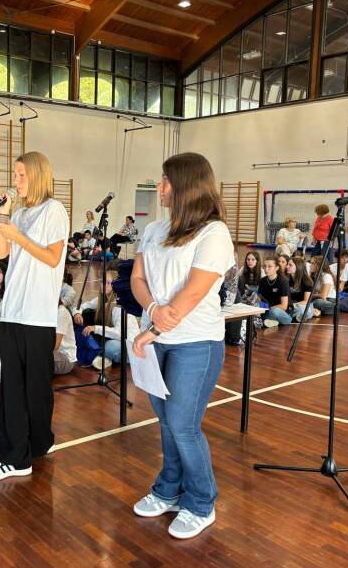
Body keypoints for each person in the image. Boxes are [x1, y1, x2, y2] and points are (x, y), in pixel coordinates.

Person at [130, 152, 234, 540]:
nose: (159, 187)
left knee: (183, 425)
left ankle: (200, 502)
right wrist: (153, 310)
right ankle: (168, 489)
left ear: (186, 185)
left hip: (196, 343)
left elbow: (190, 296)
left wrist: (150, 331)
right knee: (166, 422)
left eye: (165, 181)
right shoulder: (155, 229)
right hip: (156, 338)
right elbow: (138, 278)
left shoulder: (214, 234)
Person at [0, 150, 69, 481]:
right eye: (14, 175)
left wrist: (18, 235)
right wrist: (3, 222)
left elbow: (51, 257)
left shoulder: (54, 210)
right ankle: (31, 446)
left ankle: (18, 457)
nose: (15, 180)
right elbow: (2, 255)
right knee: (15, 387)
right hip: (13, 309)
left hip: (37, 312)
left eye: (20, 175)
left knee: (33, 387)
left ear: (36, 176)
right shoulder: (18, 214)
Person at [73, 270, 139, 369]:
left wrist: (96, 328)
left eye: (108, 283)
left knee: (110, 346)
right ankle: (100, 356)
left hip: (130, 345)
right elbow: (80, 306)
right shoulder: (102, 300)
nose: (104, 285)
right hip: (116, 340)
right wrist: (77, 313)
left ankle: (101, 356)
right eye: (102, 282)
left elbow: (120, 334)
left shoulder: (120, 306)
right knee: (86, 314)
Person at [258, 257, 292, 327]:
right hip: (268, 309)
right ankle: (273, 322)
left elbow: (284, 306)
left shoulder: (283, 281)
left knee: (274, 311)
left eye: (269, 266)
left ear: (277, 268)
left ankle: (269, 320)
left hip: (282, 312)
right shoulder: (262, 281)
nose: (266, 269)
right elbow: (260, 300)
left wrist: (267, 310)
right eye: (264, 266)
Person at [287, 256, 314, 322]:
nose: (287, 266)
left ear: (298, 267)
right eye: (287, 264)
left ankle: (287, 318)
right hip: (290, 306)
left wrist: (292, 305)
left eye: (290, 265)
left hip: (302, 305)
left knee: (304, 310)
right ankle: (294, 318)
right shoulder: (286, 280)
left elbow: (306, 301)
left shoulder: (307, 282)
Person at [54, 298, 76, 375]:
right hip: (54, 353)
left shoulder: (62, 313)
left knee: (36, 356)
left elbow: (56, 345)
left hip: (65, 358)